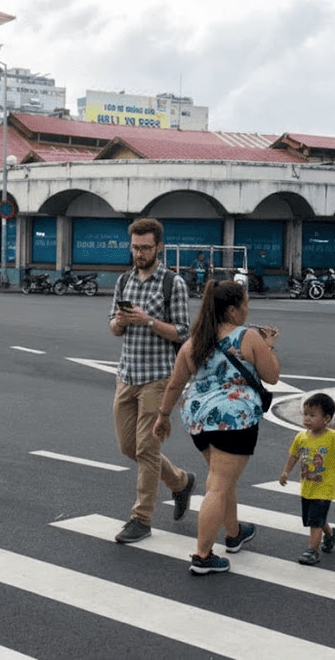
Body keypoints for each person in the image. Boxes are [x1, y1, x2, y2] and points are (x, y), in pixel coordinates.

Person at [154, 281, 280, 574]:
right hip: (234, 420)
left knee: (221, 478)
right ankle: (203, 555)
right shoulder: (248, 337)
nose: (248, 309)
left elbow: (175, 384)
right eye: (245, 304)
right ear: (233, 310)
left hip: (199, 420)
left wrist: (162, 417)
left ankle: (234, 533)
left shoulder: (194, 341)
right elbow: (272, 375)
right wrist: (269, 345)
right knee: (218, 485)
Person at [108, 218, 195, 544]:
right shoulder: (123, 282)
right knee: (128, 446)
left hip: (158, 377)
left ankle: (140, 519)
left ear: (159, 247)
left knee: (147, 448)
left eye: (145, 248)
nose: (139, 253)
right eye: (135, 247)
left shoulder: (173, 284)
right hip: (126, 375)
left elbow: (183, 332)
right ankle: (180, 482)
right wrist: (120, 321)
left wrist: (148, 321)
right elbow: (113, 327)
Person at [279, 393, 335, 566]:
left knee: (315, 520)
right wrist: (285, 472)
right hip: (307, 486)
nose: (307, 418)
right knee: (315, 519)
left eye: (312, 415)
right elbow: (294, 455)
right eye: (305, 414)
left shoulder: (333, 438)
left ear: (327, 418)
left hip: (324, 488)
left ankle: (312, 550)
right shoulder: (301, 437)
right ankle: (330, 534)